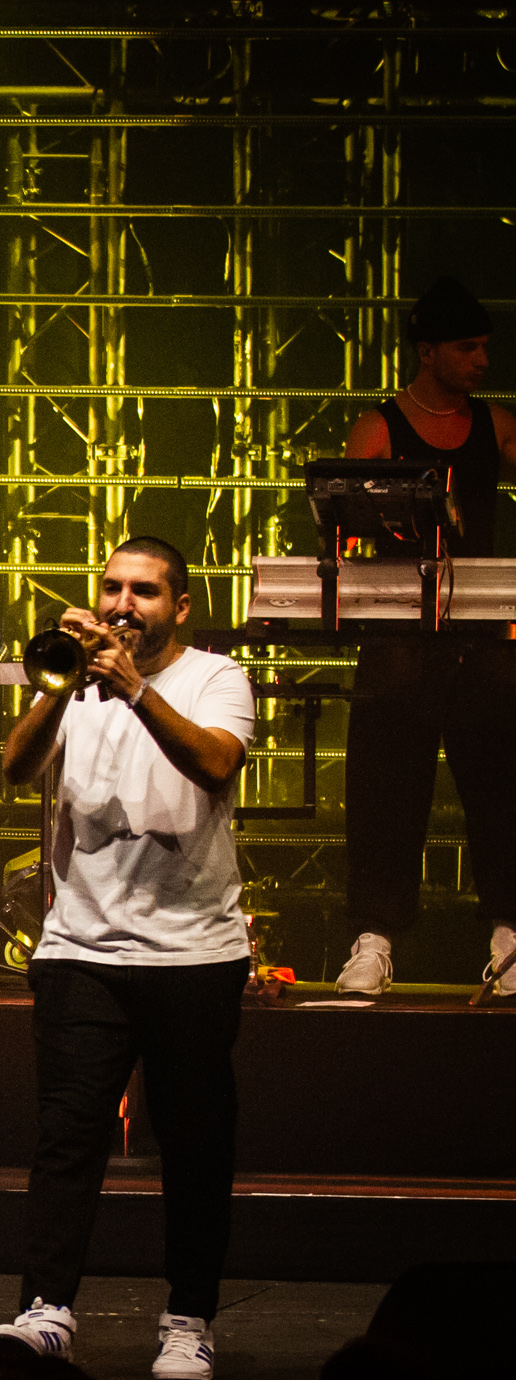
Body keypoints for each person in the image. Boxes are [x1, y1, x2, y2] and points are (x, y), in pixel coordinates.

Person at [0, 536, 254, 1380]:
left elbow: (213, 765)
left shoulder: (214, 677)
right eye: (111, 588)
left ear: (179, 606)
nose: (122, 604)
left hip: (193, 952)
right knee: (67, 1137)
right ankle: (46, 1308)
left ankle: (188, 1321)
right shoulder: (77, 681)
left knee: (195, 1144)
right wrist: (59, 685)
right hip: (81, 948)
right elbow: (12, 768)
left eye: (144, 591)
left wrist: (133, 689)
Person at [335, 274, 516, 998]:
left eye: (484, 348)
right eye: (467, 348)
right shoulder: (379, 425)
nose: (480, 360)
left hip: (484, 634)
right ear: (428, 351)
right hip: (401, 637)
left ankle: (509, 939)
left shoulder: (497, 425)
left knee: (502, 787)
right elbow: (341, 516)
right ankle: (373, 942)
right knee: (385, 790)